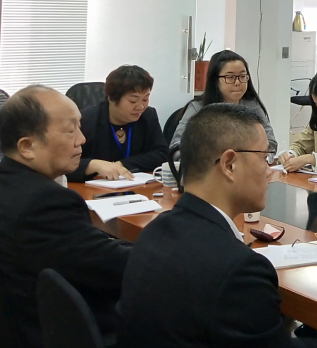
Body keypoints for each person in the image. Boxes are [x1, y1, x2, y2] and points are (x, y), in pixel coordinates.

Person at [116, 103, 292, 347]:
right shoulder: (240, 270)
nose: (269, 171)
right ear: (229, 164)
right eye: (265, 158)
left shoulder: (153, 232)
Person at [0, 86, 132, 347]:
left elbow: (88, 251)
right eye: (70, 130)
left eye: (79, 127)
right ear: (27, 146)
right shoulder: (43, 203)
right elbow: (118, 269)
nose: (81, 139)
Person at [69, 65, 168, 182]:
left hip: (136, 186)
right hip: (91, 188)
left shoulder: (148, 116)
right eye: (133, 101)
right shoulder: (86, 121)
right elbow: (61, 163)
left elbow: (162, 154)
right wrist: (93, 165)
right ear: (111, 98)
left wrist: (121, 164)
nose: (141, 107)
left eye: (145, 99)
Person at [170, 50, 278, 154]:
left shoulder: (253, 105)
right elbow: (176, 147)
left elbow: (271, 144)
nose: (237, 82)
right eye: (230, 77)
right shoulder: (197, 108)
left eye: (242, 76)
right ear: (215, 81)